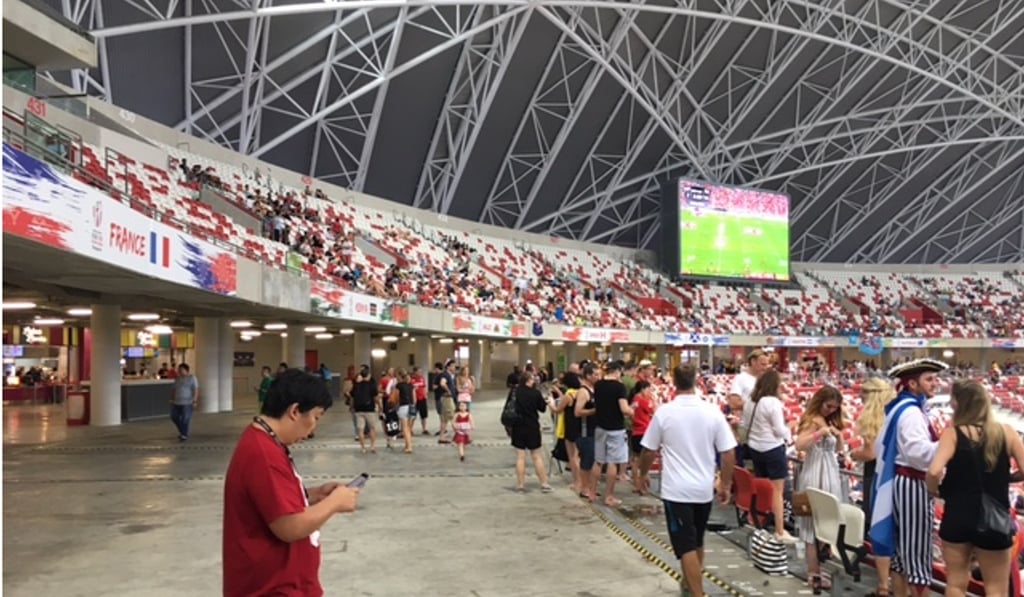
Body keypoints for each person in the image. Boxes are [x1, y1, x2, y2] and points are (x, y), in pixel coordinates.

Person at [222, 368, 359, 597]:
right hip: (272, 588)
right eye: (315, 417)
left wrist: (311, 495)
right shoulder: (263, 454)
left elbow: (267, 500)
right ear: (295, 411)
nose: (314, 428)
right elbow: (290, 526)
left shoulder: (265, 443)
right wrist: (335, 503)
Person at [636, 365, 736, 597]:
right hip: (703, 489)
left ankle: (697, 593)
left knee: (685, 546)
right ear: (696, 381)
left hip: (676, 491)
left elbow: (649, 450)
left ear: (674, 381)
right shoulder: (712, 412)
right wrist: (726, 484)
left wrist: (641, 475)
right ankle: (690, 586)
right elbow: (728, 452)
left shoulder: (665, 412)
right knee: (696, 540)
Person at [927, 379, 1024, 597]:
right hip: (994, 518)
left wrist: (935, 490)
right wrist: (1007, 478)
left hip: (958, 515)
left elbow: (933, 472)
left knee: (956, 583)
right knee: (996, 589)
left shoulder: (953, 434)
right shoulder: (1007, 433)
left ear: (958, 405)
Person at [869, 358, 946, 597]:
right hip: (912, 483)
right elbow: (917, 453)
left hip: (903, 483)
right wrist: (947, 447)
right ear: (913, 384)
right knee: (917, 552)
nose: (935, 383)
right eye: (929, 379)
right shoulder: (911, 413)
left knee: (902, 555)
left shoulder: (902, 408)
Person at [793, 385, 847, 593]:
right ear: (820, 401)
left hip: (830, 473)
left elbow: (839, 449)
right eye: (828, 405)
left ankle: (820, 566)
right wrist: (818, 434)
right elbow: (799, 445)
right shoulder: (811, 420)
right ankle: (813, 573)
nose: (831, 410)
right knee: (810, 527)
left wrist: (838, 435)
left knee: (827, 523)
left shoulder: (830, 420)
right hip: (814, 474)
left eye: (834, 407)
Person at [851, 376, 897, 597]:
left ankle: (883, 585)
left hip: (876, 475)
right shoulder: (895, 413)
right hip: (896, 474)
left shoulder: (871, 418)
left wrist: (853, 454)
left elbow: (870, 453)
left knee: (879, 526)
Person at [746, 368, 797, 543]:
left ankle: (760, 523)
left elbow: (745, 424)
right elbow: (779, 430)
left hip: (755, 448)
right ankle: (779, 530)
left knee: (762, 487)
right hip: (772, 449)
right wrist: (790, 426)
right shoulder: (772, 403)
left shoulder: (751, 401)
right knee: (777, 491)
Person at [593, 360, 632, 507]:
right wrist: (633, 412)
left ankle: (592, 492)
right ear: (618, 371)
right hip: (615, 429)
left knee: (598, 461)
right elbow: (624, 408)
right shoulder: (619, 387)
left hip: (600, 427)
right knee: (612, 463)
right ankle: (609, 496)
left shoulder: (598, 385)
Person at [509, 372, 553, 492]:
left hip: (518, 426)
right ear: (529, 380)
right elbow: (542, 409)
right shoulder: (535, 393)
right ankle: (544, 483)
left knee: (520, 457)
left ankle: (520, 485)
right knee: (537, 456)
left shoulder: (515, 392)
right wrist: (548, 401)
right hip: (532, 426)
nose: (534, 380)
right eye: (532, 379)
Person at [728, 349, 772, 466]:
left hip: (764, 427)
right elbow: (734, 402)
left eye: (767, 364)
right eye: (763, 364)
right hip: (747, 427)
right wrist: (756, 406)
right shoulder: (741, 378)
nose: (765, 367)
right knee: (751, 464)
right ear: (753, 361)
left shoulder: (765, 379)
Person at [351, 365, 378, 454]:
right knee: (372, 428)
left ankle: (363, 448)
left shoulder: (357, 384)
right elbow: (375, 395)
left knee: (360, 429)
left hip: (359, 409)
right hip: (370, 408)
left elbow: (352, 394)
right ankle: (372, 446)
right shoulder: (371, 384)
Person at [170, 363, 199, 441]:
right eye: (179, 370)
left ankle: (184, 434)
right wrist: (172, 399)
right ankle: (183, 432)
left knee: (185, 418)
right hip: (177, 402)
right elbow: (173, 389)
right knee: (174, 416)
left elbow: (195, 390)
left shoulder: (192, 378)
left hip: (187, 403)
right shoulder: (177, 379)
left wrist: (195, 401)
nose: (179, 371)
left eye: (181, 370)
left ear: (186, 370)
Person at [394, 369, 415, 454]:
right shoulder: (410, 385)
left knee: (405, 428)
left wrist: (394, 406)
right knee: (409, 428)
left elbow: (396, 397)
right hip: (411, 406)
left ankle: (409, 446)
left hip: (403, 407)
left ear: (399, 376)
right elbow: (414, 397)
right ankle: (407, 445)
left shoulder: (399, 385)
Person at [410, 366, 430, 435]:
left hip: (422, 398)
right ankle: (410, 429)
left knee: (424, 415)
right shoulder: (411, 380)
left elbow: (424, 387)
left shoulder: (422, 378)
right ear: (415, 372)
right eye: (419, 371)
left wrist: (425, 395)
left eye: (421, 371)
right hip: (415, 399)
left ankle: (424, 429)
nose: (420, 373)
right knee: (413, 415)